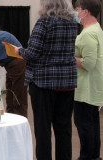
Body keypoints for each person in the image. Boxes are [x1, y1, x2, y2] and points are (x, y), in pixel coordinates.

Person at [15, 0, 78, 159]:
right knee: (64, 129)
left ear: (47, 5)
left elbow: (32, 54)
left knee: (43, 129)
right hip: (67, 82)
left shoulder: (44, 22)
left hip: (44, 82)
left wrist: (19, 50)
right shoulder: (72, 23)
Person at [73, 0, 103, 160]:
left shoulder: (88, 34)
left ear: (85, 12)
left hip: (85, 89)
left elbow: (88, 63)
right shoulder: (96, 29)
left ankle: (86, 157)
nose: (76, 13)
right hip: (91, 87)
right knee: (92, 124)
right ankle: (94, 156)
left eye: (77, 10)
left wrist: (70, 58)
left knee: (85, 126)